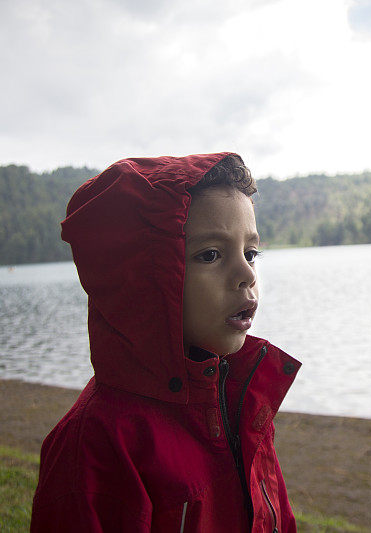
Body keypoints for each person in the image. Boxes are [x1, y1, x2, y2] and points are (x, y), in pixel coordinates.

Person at [31, 153, 301, 532]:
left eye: (251, 253)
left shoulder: (239, 400)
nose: (246, 274)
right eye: (211, 255)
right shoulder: (95, 446)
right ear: (143, 280)